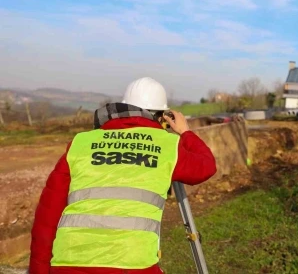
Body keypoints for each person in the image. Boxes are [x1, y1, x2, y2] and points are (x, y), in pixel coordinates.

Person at [28, 77, 217, 274]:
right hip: (132, 266)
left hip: (68, 264)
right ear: (162, 116)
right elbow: (207, 166)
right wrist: (185, 132)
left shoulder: (81, 142)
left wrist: (38, 270)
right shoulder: (167, 145)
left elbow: (47, 216)